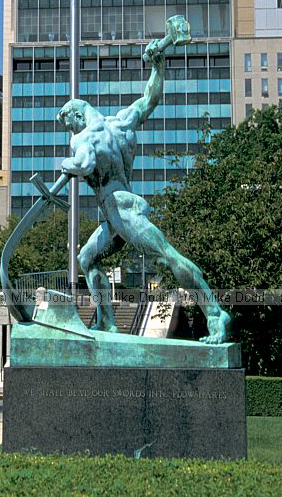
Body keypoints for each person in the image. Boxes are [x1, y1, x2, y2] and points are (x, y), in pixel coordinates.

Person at [57, 38, 231, 345]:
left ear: (77, 115)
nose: (68, 129)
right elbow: (150, 99)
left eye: (67, 122)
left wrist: (66, 163)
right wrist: (157, 66)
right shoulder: (120, 123)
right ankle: (107, 323)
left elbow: (84, 164)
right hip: (115, 215)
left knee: (167, 256)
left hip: (120, 208)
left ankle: (216, 314)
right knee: (87, 258)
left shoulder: (83, 138)